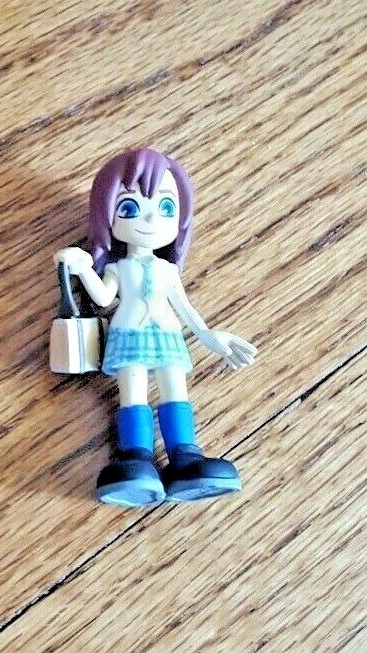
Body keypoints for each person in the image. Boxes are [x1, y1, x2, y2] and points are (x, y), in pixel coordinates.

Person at [54, 148, 257, 506]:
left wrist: (209, 336)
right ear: (106, 217)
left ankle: (186, 456)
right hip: (129, 335)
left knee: (175, 389)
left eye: (165, 207)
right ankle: (137, 457)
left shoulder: (168, 271)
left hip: (166, 335)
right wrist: (83, 267)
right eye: (129, 208)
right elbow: (103, 298)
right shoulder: (118, 268)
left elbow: (185, 307)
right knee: (132, 392)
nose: (150, 219)